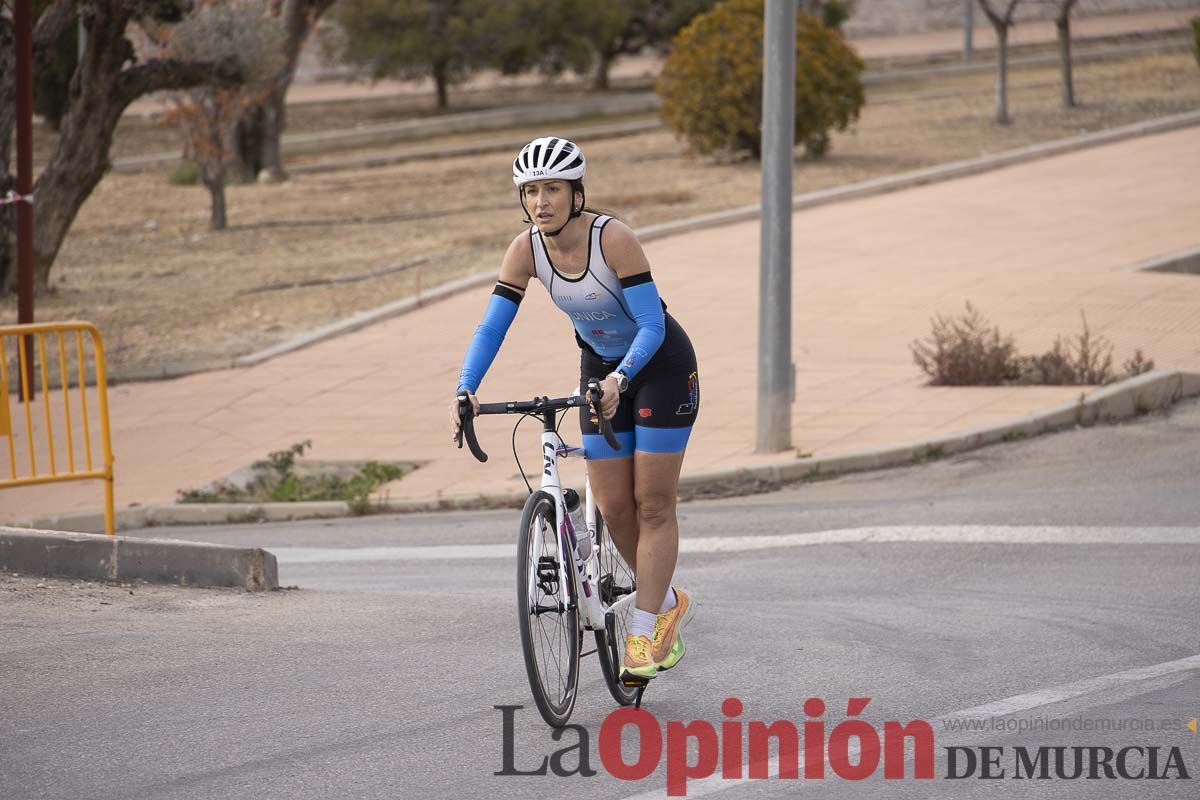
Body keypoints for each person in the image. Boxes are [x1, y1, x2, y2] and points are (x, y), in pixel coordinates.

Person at [447, 136, 699, 682]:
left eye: (553, 189)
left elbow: (652, 324)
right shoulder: (525, 251)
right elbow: (493, 325)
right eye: (531, 191)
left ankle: (644, 630)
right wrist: (465, 388)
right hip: (597, 368)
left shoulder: (615, 239)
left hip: (658, 367)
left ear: (576, 193)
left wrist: (621, 378)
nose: (542, 201)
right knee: (612, 505)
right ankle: (670, 601)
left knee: (651, 503)